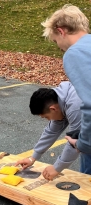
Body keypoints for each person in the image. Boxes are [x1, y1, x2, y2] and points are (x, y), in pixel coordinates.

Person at [41, 5, 91, 166]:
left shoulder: (75, 52)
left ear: (61, 31)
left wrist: (84, 144)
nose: (60, 48)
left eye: (56, 41)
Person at [15, 82, 90, 181]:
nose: (48, 120)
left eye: (46, 117)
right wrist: (32, 157)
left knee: (86, 147)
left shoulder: (76, 107)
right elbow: (51, 131)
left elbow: (76, 141)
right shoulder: (60, 100)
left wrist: (57, 168)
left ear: (53, 109)